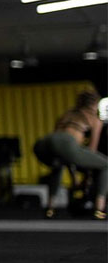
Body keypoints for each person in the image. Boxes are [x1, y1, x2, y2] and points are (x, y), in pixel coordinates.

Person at [34, 90, 106, 219]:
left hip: (43, 143)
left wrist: (74, 179)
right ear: (94, 104)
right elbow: (92, 150)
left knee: (58, 165)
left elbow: (64, 154)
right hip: (66, 143)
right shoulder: (95, 118)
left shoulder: (67, 114)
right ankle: (99, 209)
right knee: (106, 164)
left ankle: (50, 209)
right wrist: (86, 179)